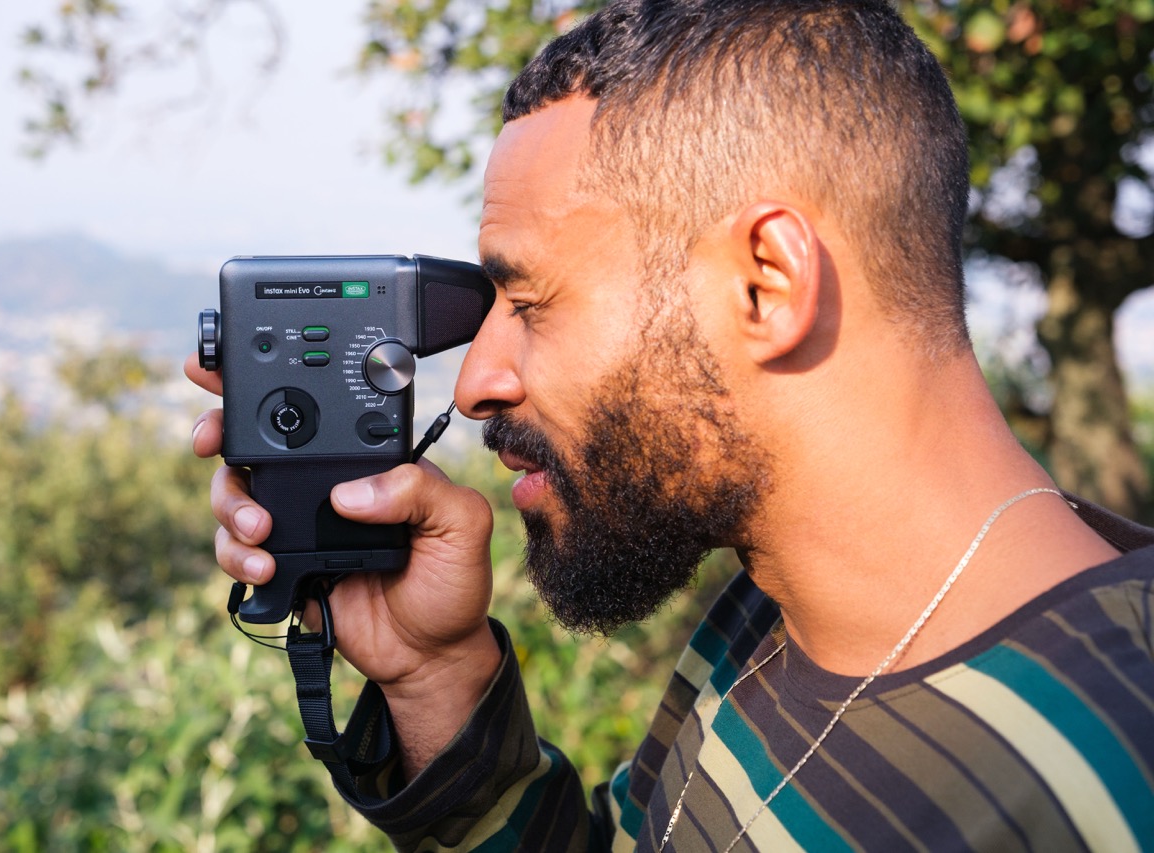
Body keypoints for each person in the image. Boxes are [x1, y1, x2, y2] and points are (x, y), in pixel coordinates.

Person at [186, 0, 1154, 849]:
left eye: (529, 303)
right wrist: (432, 672)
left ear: (765, 284)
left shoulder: (1104, 777)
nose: (476, 382)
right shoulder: (766, 612)